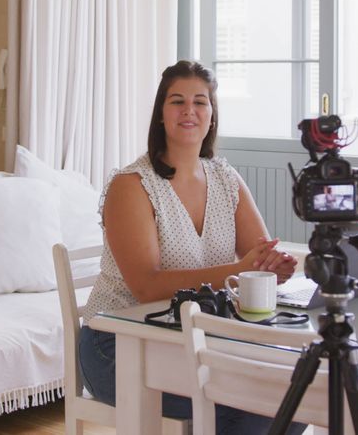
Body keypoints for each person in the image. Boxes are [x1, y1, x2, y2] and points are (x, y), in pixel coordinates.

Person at [79, 60, 306, 434]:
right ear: (161, 115)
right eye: (177, 101)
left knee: (294, 396)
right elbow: (147, 287)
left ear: (212, 115)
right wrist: (239, 269)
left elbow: (258, 256)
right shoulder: (131, 185)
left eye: (200, 102)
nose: (189, 110)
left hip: (196, 340)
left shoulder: (224, 176)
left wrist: (273, 267)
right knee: (247, 407)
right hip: (118, 346)